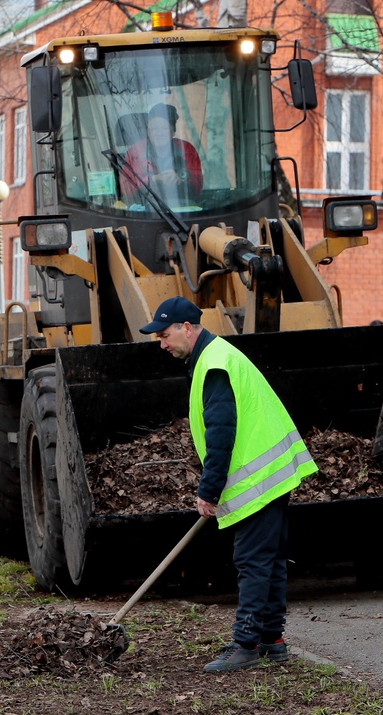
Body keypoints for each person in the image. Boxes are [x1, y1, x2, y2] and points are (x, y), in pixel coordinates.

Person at [139, 296, 318, 673]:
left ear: (187, 328)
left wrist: (209, 490)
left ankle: (246, 644)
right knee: (268, 559)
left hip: (259, 478)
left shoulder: (215, 364)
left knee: (252, 561)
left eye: (166, 335)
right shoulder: (214, 356)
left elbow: (221, 433)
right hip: (272, 473)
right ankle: (272, 641)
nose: (162, 343)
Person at [123, 103, 203, 206]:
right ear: (148, 131)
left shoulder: (186, 149)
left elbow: (198, 185)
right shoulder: (135, 152)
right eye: (154, 128)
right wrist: (154, 179)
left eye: (164, 128)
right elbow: (126, 188)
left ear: (173, 131)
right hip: (145, 210)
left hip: (183, 209)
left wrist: (181, 178)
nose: (159, 133)